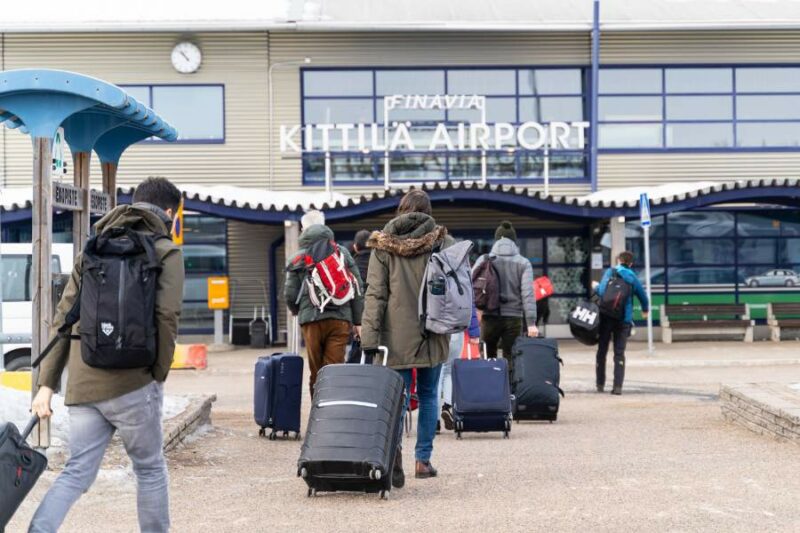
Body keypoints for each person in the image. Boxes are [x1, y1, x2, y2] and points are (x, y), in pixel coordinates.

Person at [30, 177, 185, 533]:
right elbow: (166, 316)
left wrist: (46, 385)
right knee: (149, 468)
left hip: (85, 382)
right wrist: (157, 372)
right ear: (167, 212)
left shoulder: (93, 248)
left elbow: (63, 319)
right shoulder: (166, 251)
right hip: (134, 382)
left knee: (77, 471)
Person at [361, 189, 452, 486]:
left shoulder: (382, 246)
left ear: (401, 210)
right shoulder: (442, 243)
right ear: (427, 212)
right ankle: (422, 460)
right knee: (428, 396)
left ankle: (394, 455)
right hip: (433, 331)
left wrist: (370, 337)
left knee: (396, 400)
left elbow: (375, 295)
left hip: (394, 336)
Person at [284, 210, 364, 399]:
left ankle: (317, 413)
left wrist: (297, 311)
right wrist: (358, 321)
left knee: (316, 369)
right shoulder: (341, 252)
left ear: (304, 230)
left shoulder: (298, 257)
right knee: (334, 369)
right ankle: (333, 414)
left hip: (311, 320)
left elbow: (289, 292)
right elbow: (357, 287)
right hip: (340, 318)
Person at [472, 221, 538, 373]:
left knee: (488, 357)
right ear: (514, 241)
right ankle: (511, 393)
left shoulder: (484, 259)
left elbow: (471, 285)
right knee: (511, 357)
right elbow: (527, 293)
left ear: (497, 240)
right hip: (514, 318)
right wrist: (531, 322)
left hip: (489, 317)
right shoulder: (523, 263)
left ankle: (491, 391)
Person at [595, 250, 650, 395]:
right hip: (624, 320)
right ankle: (617, 387)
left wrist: (595, 286)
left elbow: (601, 292)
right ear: (630, 263)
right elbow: (643, 296)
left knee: (602, 351)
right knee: (619, 353)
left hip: (606, 317)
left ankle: (600, 384)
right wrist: (645, 309)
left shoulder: (610, 272)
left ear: (619, 260)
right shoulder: (632, 277)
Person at [439, 304, 480, 430]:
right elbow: (469, 304)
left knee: (436, 372)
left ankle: (433, 421)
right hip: (456, 327)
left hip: (436, 326)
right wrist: (474, 332)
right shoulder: (465, 282)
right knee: (449, 370)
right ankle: (447, 406)